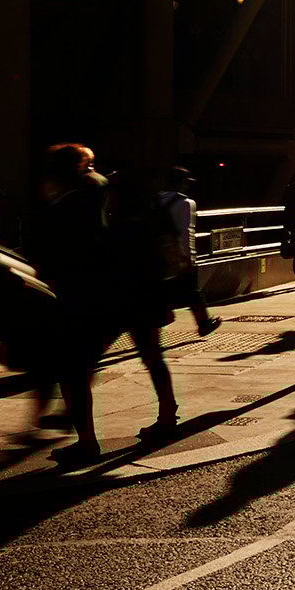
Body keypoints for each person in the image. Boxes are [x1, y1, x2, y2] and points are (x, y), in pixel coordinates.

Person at [24, 144, 114, 467]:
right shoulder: (86, 196)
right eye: (87, 164)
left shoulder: (75, 200)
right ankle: (84, 439)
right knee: (75, 371)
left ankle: (87, 443)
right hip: (88, 294)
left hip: (75, 296)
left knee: (73, 372)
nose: (94, 170)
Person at [109, 170, 182, 442]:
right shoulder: (155, 212)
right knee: (153, 355)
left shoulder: (120, 220)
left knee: (86, 359)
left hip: (125, 295)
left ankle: (66, 415)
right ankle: (167, 413)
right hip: (151, 293)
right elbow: (172, 254)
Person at [159, 166, 221, 336]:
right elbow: (186, 231)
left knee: (161, 286)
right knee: (192, 290)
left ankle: (164, 315)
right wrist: (189, 256)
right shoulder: (185, 203)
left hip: (156, 252)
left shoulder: (155, 200)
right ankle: (203, 322)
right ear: (181, 184)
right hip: (176, 253)